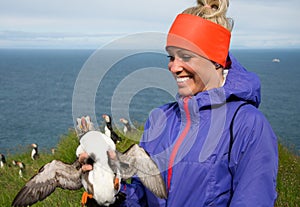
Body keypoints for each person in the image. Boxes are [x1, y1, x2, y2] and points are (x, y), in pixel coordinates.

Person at [80, 0, 278, 206]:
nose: (174, 67)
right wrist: (110, 189)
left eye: (185, 56)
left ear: (216, 61)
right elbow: (141, 198)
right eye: (171, 57)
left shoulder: (247, 124)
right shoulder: (159, 118)